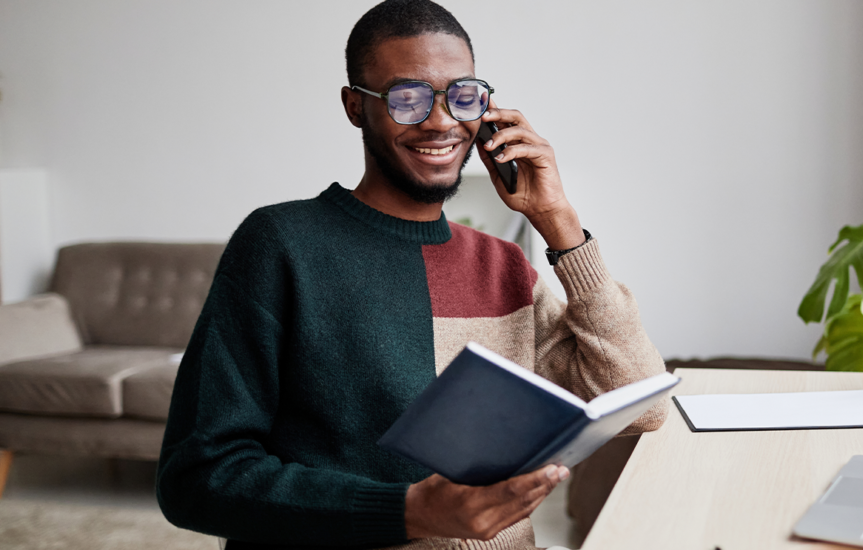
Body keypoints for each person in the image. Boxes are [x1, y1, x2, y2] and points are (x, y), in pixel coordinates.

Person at [156, 1, 667, 548]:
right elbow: (198, 477)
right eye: (407, 98)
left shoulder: (503, 266)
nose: (442, 121)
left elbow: (641, 401)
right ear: (356, 107)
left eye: (462, 95)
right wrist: (407, 512)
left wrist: (559, 223)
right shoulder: (282, 244)